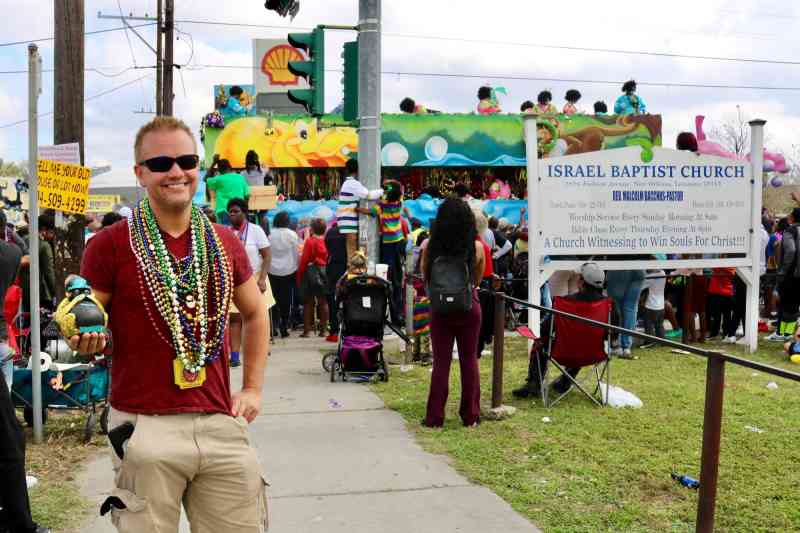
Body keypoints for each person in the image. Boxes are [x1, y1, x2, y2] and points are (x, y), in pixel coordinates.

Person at [75, 116, 269, 532]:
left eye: (186, 159)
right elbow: (90, 320)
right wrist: (87, 337)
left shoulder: (224, 240)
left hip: (220, 424)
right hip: (144, 427)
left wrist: (252, 388)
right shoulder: (109, 245)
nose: (176, 171)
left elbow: (256, 312)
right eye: (161, 162)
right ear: (140, 173)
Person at [421, 198, 485, 427]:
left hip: (440, 308)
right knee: (469, 361)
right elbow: (478, 278)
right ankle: (470, 415)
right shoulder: (476, 247)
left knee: (441, 362)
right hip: (469, 307)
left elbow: (425, 275)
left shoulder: (430, 246)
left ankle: (435, 417)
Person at [513, 263, 608, 398]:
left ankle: (534, 383)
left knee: (540, 343)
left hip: (562, 352)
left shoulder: (565, 303)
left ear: (581, 282)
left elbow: (545, 329)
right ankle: (565, 380)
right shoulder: (609, 305)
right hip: (594, 354)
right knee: (583, 343)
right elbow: (613, 334)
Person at [227, 197, 274, 366]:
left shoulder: (256, 230)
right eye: (230, 212)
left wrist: (262, 279)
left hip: (255, 278)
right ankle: (234, 356)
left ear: (244, 213)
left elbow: (267, 255)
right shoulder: (227, 232)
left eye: (236, 211)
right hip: (234, 281)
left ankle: (258, 350)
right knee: (235, 318)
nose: (232, 215)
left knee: (257, 317)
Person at [358, 180, 407, 325]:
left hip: (388, 244)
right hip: (399, 241)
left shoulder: (382, 205)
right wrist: (391, 186)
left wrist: (358, 210)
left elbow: (371, 212)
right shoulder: (399, 204)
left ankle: (390, 312)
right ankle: (398, 314)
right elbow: (398, 189)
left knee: (387, 278)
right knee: (398, 279)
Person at [336, 158, 383, 260]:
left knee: (351, 248)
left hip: (346, 220)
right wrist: (382, 191)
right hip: (349, 221)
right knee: (352, 249)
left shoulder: (347, 183)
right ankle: (353, 270)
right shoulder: (353, 184)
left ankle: (353, 270)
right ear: (358, 170)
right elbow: (368, 195)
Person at [268, 211, 299, 338]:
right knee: (286, 300)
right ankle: (284, 325)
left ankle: (273, 326)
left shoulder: (270, 235)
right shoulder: (292, 235)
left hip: (272, 271)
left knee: (273, 299)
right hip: (289, 270)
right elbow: (295, 253)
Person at [297, 219, 329, 338]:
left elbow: (304, 260)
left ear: (312, 229)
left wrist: (299, 275)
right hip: (323, 272)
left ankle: (306, 331)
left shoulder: (310, 242)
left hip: (309, 274)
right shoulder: (326, 241)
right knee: (323, 302)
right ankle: (324, 330)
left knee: (308, 303)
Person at [20, 214, 57, 313]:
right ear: (44, 230)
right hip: (41, 292)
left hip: (23, 288)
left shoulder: (23, 239)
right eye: (53, 232)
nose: (54, 236)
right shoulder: (44, 246)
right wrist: (55, 291)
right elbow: (49, 272)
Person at [606, 266, 645, 358]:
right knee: (630, 308)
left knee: (615, 307)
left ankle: (616, 344)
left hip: (618, 266)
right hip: (639, 266)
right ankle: (626, 346)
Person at [773, 208, 800, 341]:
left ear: (793, 218)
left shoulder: (790, 231)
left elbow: (791, 250)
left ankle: (783, 334)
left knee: (786, 304)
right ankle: (787, 333)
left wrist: (784, 269)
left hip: (791, 274)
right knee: (794, 306)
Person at [206, 159, 250, 225]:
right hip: (239, 211)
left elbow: (206, 179)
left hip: (224, 211)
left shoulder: (219, 179)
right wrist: (244, 209)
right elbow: (247, 195)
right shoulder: (240, 177)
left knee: (226, 233)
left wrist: (214, 163)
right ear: (230, 167)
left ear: (219, 170)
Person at [324, 221, 347, 342]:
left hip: (332, 269)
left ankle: (333, 332)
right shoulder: (349, 233)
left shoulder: (330, 232)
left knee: (333, 301)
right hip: (347, 269)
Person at [643, 269, 666, 340]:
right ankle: (662, 340)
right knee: (659, 325)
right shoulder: (663, 273)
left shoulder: (650, 277)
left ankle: (649, 341)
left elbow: (640, 286)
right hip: (661, 306)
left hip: (651, 305)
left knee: (648, 325)